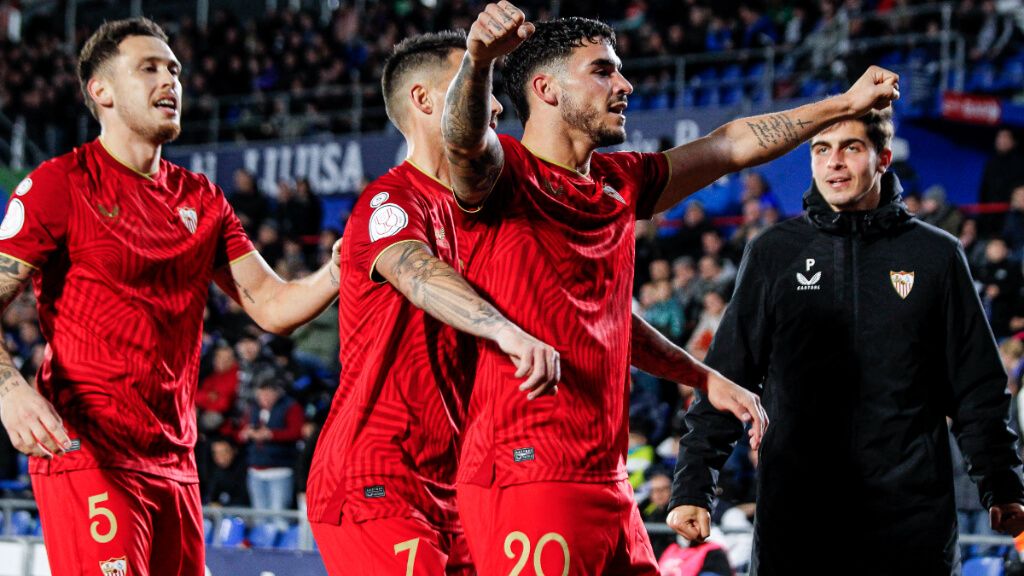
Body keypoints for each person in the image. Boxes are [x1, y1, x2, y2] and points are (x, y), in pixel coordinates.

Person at [441, 2, 894, 573]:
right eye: (603, 71)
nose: (624, 84)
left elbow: (730, 145)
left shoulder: (619, 183)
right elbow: (462, 143)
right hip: (525, 473)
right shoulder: (503, 177)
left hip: (608, 479)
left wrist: (844, 105)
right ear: (546, 89)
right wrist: (479, 59)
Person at [0, 18, 341, 576]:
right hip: (87, 449)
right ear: (101, 91)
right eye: (150, 68)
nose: (170, 80)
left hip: (174, 462)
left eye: (175, 69)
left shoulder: (202, 199)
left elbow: (271, 305)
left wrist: (336, 270)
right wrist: (10, 390)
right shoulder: (61, 184)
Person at [669, 108, 1024, 574]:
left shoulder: (936, 255)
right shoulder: (774, 253)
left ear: (883, 158)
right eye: (821, 149)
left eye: (850, 148)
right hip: (797, 522)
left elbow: (976, 385)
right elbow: (727, 376)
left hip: (910, 526)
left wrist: (1001, 482)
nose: (833, 162)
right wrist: (695, 484)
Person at [305, 31, 560, 576]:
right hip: (375, 473)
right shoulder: (389, 199)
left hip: (453, 480)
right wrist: (504, 330)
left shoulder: (487, 214)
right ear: (425, 101)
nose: (493, 102)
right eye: (477, 83)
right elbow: (415, 271)